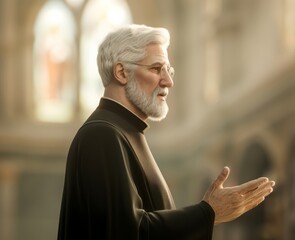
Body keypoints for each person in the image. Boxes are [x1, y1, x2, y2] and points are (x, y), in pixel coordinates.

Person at [58, 24, 275, 240]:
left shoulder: (124, 131)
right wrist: (207, 213)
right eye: (156, 69)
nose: (168, 81)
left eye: (168, 71)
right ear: (122, 72)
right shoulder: (102, 135)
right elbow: (125, 233)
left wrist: (208, 213)